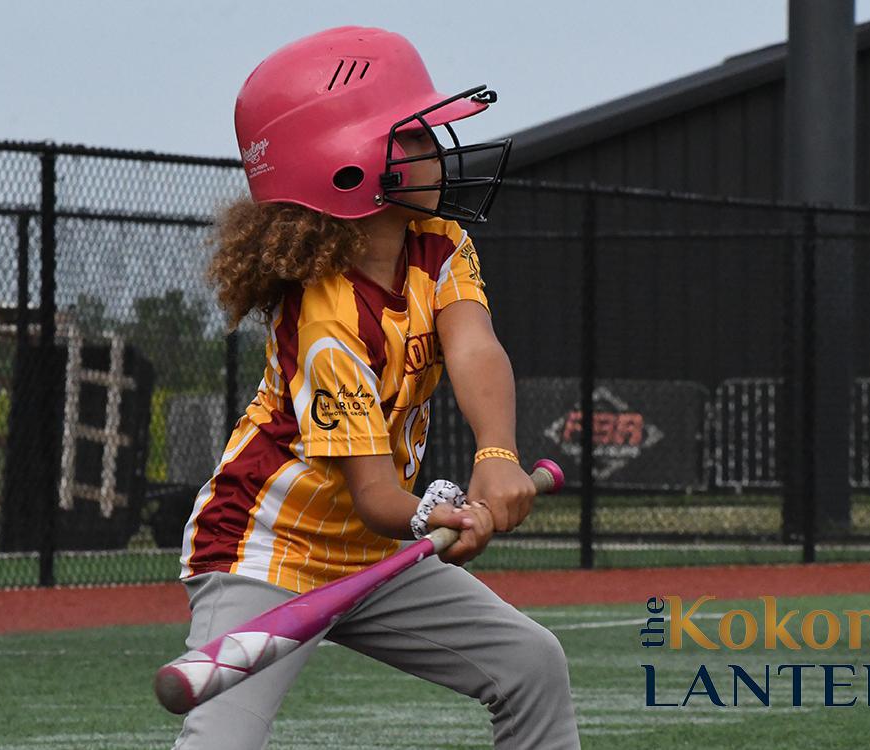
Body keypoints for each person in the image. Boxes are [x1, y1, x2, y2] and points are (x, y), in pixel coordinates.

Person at [173, 26, 579, 750]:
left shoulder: (437, 238)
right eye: (415, 136)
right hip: (267, 555)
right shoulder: (326, 320)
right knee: (220, 744)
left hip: (370, 552)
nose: (438, 146)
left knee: (530, 663)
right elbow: (376, 496)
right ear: (344, 164)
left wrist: (496, 453)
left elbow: (473, 345)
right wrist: (437, 516)